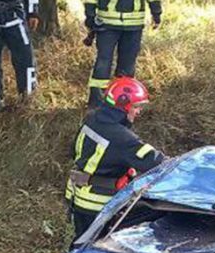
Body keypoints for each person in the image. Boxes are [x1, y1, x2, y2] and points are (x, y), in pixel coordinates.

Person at [65, 76, 165, 238]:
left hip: (78, 195)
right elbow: (158, 163)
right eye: (136, 106)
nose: (138, 112)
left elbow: (73, 151)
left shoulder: (92, 120)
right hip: (98, 203)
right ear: (123, 104)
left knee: (81, 243)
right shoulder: (122, 138)